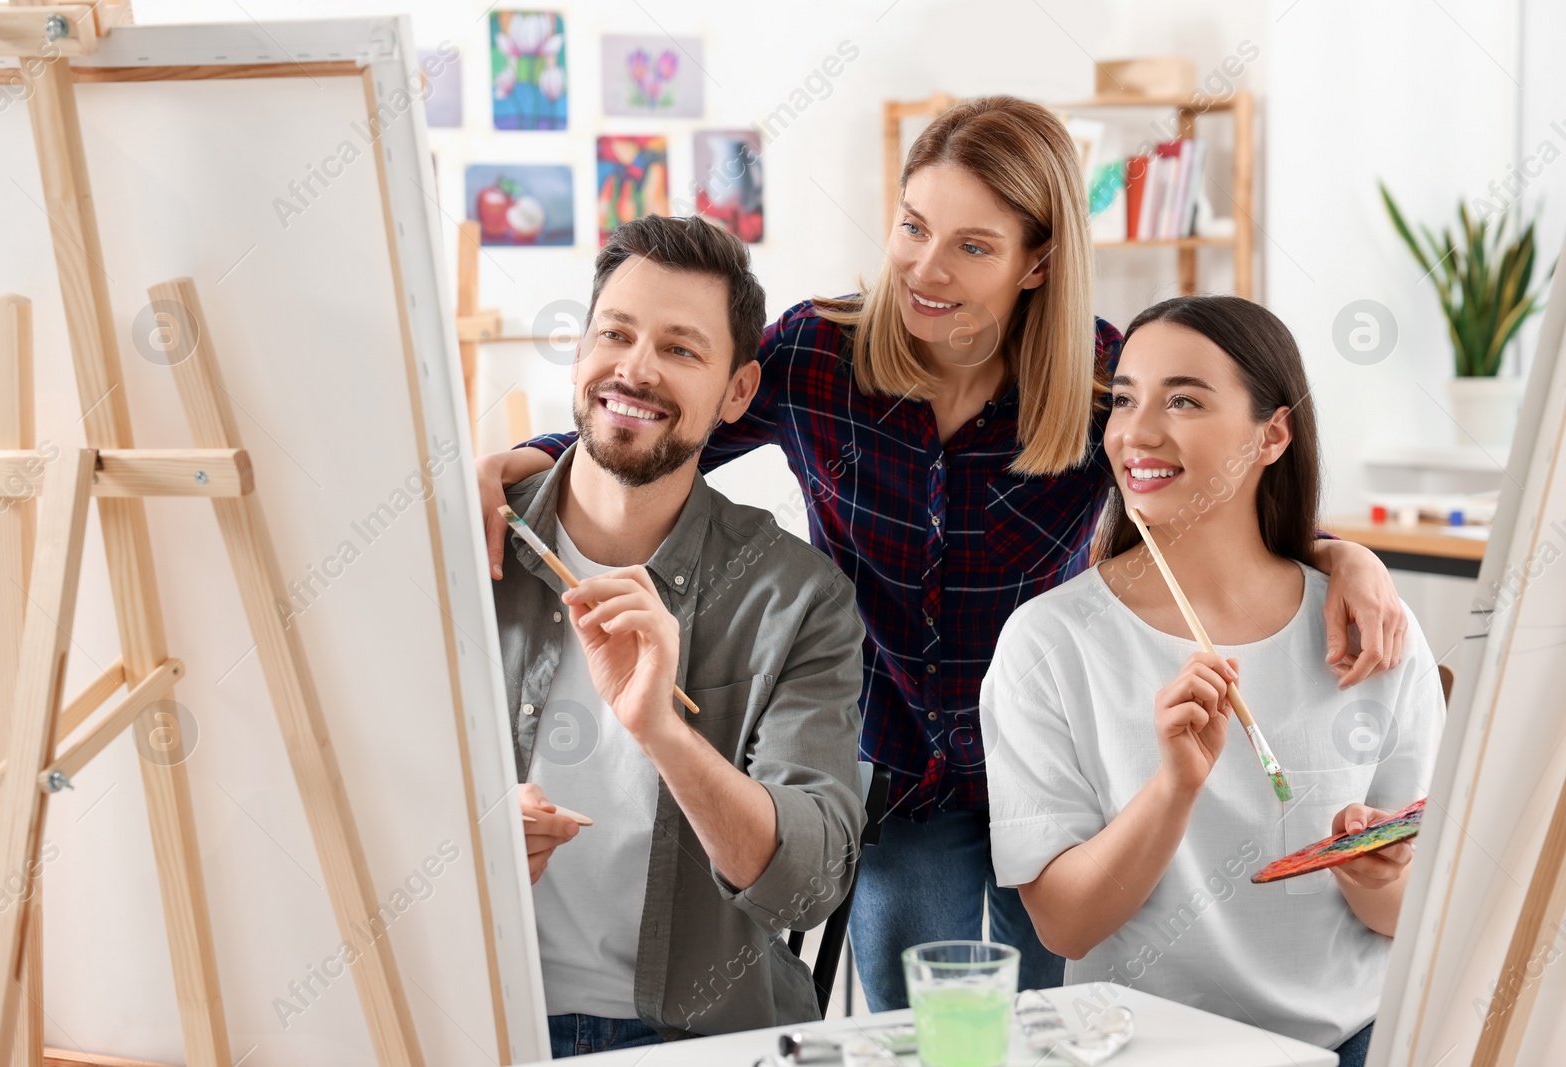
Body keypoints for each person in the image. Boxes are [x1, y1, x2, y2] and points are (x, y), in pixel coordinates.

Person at [478, 96, 1410, 1010]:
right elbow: (659, 418)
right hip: (894, 775)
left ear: (1038, 260)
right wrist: (511, 464)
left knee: (1052, 1025)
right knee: (920, 1034)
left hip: (1057, 766)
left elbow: (1204, 486)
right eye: (913, 226)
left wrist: (1339, 553)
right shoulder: (814, 355)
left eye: (973, 245)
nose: (926, 267)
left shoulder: (1097, 381)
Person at [983, 295, 1444, 1067]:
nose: (1137, 430)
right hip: (1136, 1047)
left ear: (1273, 433)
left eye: (1185, 399)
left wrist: (1375, 876)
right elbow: (1064, 926)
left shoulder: (1371, 629)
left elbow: (1416, 912)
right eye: (1124, 398)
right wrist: (1172, 788)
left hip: (1349, 1044)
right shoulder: (1048, 644)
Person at [493, 214, 866, 1055]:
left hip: (702, 1041)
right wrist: (465, 845)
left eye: (680, 349)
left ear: (737, 393)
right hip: (481, 1026)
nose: (636, 368)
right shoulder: (468, 551)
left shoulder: (798, 598)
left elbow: (805, 888)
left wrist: (663, 730)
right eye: (615, 334)